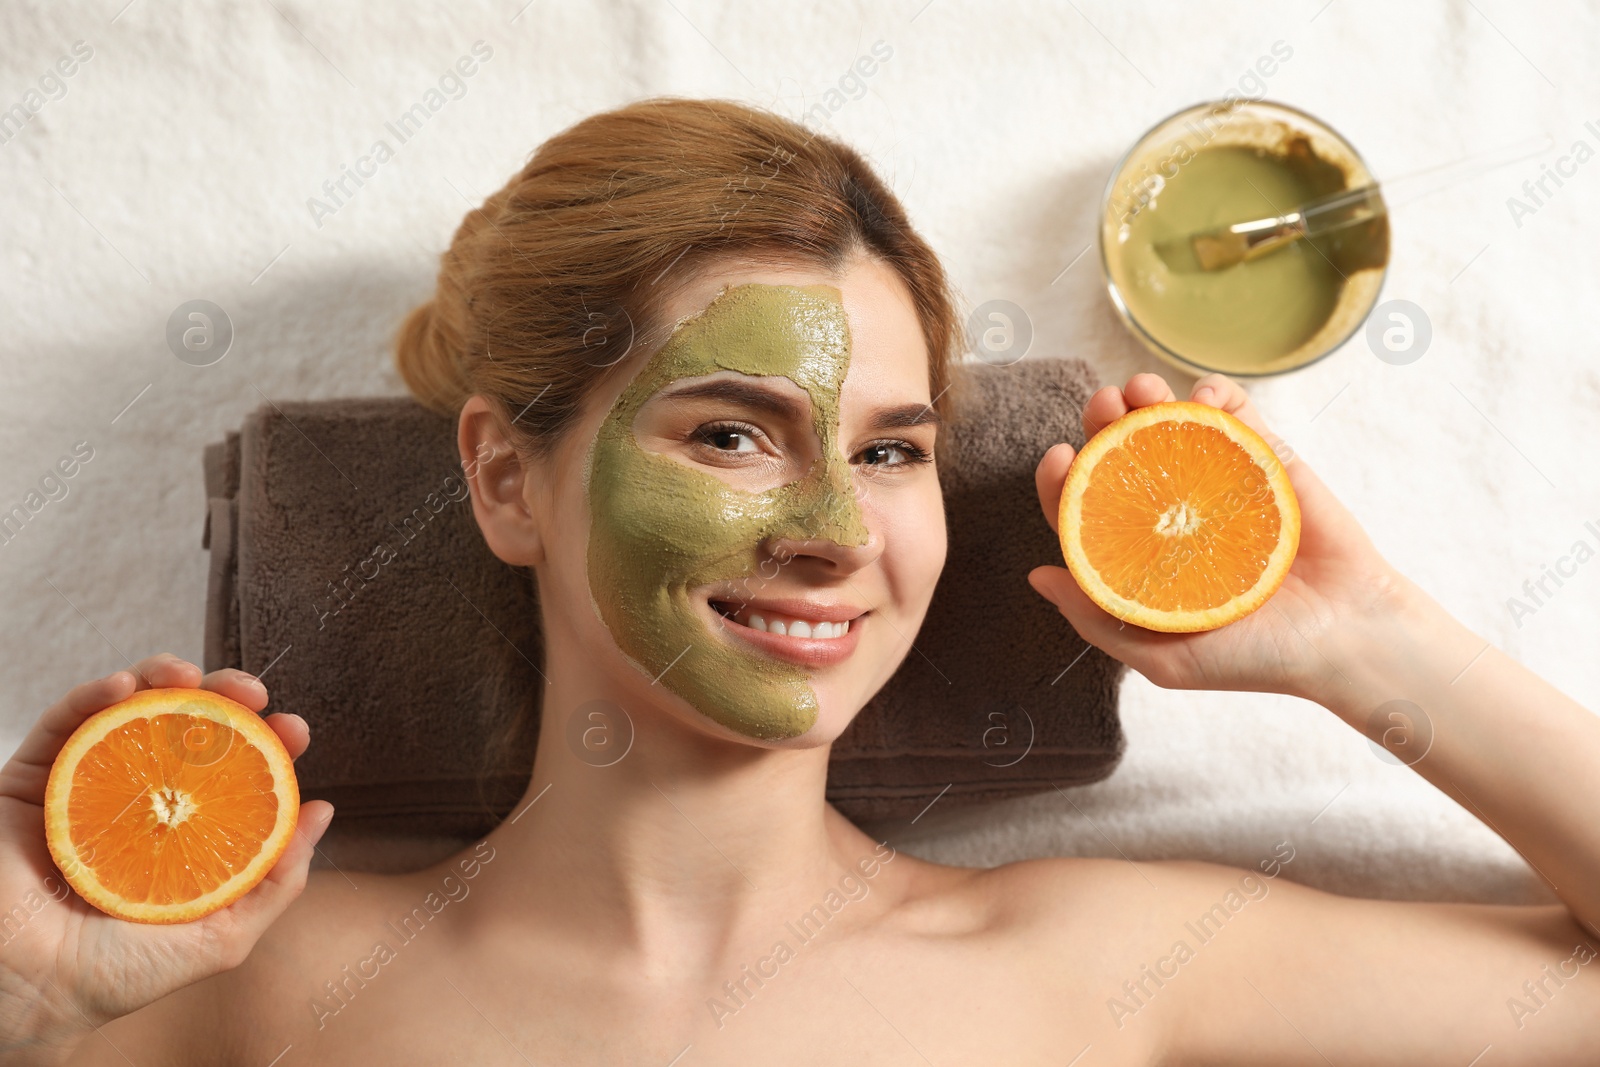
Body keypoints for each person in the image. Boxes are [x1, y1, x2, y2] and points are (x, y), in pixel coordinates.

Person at [3, 99, 1597, 1066]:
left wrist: (1361, 637)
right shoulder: (258, 991)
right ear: (506, 477)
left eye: (896, 452)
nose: (839, 527)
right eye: (730, 434)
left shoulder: (1094, 969)